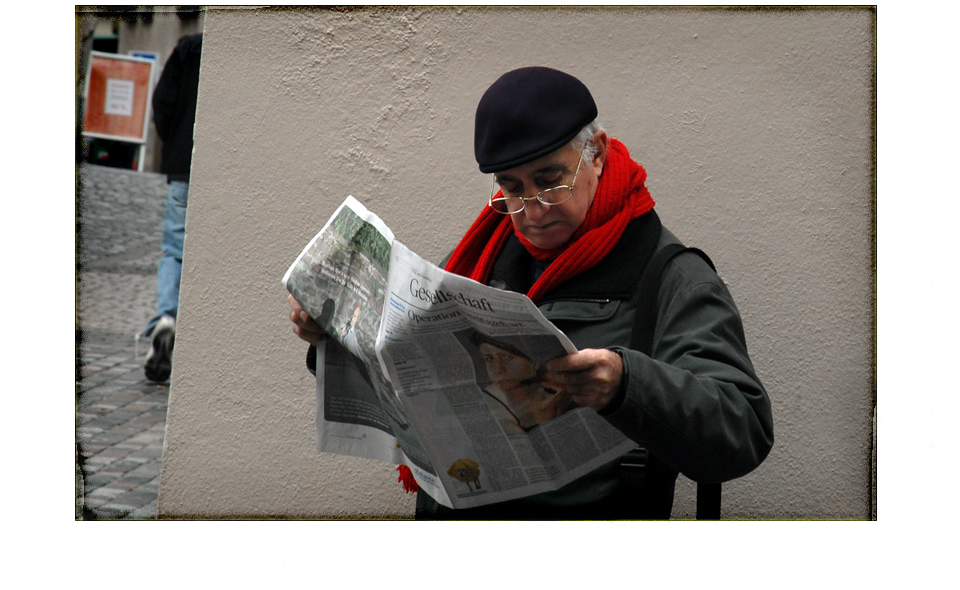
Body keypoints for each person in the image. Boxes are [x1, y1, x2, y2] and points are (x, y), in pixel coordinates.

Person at [290, 66, 774, 519]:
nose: (533, 211)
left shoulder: (671, 277)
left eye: (550, 181)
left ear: (597, 155)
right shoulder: (481, 260)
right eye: (512, 188)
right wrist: (333, 333)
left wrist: (627, 384)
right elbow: (398, 363)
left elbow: (742, 429)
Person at [141, 32, 202, 383]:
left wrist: (172, 143)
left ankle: (166, 316)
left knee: (175, 251)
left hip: (182, 169)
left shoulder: (187, 49)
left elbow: (162, 103)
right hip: (220, 173)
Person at [470, 332, 574, 433]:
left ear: (534, 361)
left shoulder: (556, 390)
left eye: (508, 357)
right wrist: (544, 420)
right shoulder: (487, 403)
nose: (498, 369)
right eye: (489, 358)